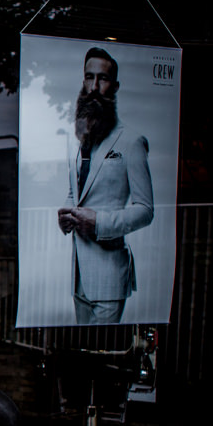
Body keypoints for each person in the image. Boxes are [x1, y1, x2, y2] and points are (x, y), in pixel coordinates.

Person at [57, 47, 153, 324]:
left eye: (103, 78)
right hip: (79, 277)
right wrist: (66, 213)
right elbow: (78, 190)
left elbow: (146, 209)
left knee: (101, 357)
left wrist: (99, 222)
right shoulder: (83, 139)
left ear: (115, 86)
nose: (95, 87)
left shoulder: (132, 141)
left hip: (109, 277)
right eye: (89, 78)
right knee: (81, 354)